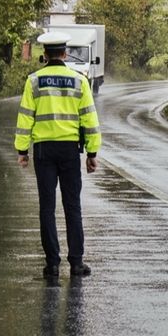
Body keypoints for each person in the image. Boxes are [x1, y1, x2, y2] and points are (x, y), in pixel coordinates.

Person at [15, 31, 101, 277]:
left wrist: (22, 150)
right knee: (73, 206)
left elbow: (25, 118)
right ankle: (76, 263)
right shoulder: (79, 81)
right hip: (70, 151)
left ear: (45, 55)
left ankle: (52, 263)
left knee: (47, 207)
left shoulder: (33, 81)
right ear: (64, 54)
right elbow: (90, 119)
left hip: (43, 151)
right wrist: (92, 153)